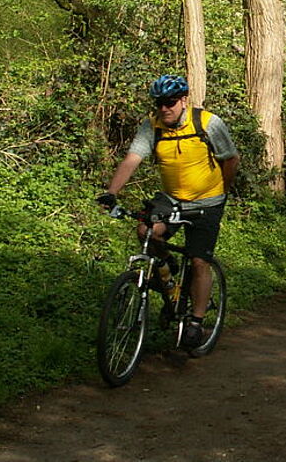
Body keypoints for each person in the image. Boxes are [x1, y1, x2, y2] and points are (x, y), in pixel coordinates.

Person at [97, 75, 240, 348]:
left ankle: (196, 322)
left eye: (170, 102)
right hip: (172, 199)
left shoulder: (208, 123)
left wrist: (223, 191)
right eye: (160, 103)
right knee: (146, 231)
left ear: (184, 100)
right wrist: (112, 192)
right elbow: (132, 159)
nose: (165, 109)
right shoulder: (152, 126)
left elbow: (231, 159)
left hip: (207, 203)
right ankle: (167, 270)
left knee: (199, 261)